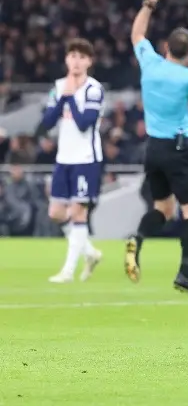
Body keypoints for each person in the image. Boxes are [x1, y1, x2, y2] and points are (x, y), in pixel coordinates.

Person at [124, 0, 188, 296]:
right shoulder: (186, 77)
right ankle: (185, 273)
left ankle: (137, 239)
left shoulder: (149, 63)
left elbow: (137, 33)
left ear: (166, 48)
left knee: (163, 210)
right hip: (178, 149)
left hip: (153, 149)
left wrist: (148, 3)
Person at [41, 38, 104, 283]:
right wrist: (62, 97)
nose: (76, 62)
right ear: (66, 59)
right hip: (63, 158)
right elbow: (47, 123)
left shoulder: (94, 89)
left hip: (86, 159)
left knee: (79, 212)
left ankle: (67, 271)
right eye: (72, 56)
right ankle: (90, 253)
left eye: (82, 57)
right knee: (56, 212)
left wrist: (68, 98)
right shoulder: (57, 87)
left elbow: (84, 123)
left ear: (89, 61)